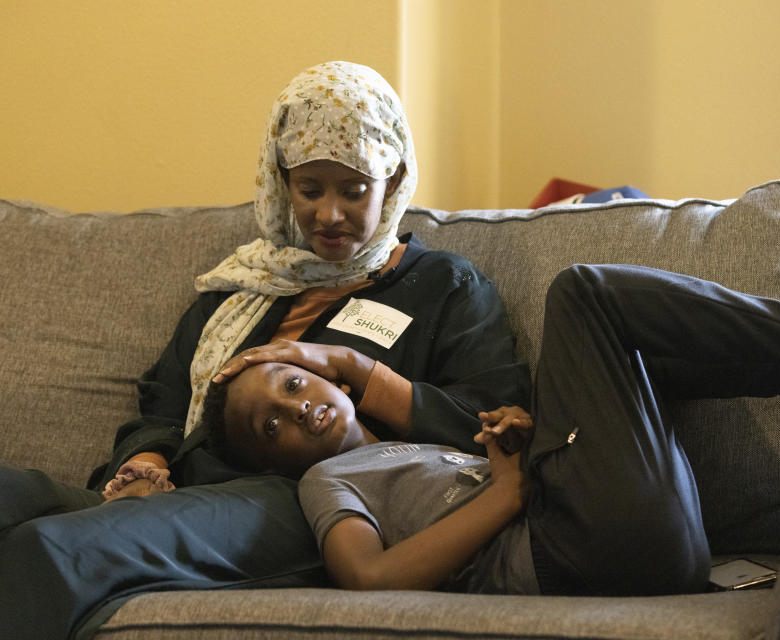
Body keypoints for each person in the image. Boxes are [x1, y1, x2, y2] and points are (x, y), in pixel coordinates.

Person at [0, 61, 529, 639]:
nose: (329, 215)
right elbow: (167, 398)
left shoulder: (445, 286)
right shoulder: (245, 285)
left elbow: (489, 423)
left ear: (394, 179)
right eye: (309, 189)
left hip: (306, 499)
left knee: (49, 549)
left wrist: (355, 368)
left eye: (354, 190)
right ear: (282, 183)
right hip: (187, 484)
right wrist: (148, 459)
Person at [201, 217, 780, 597]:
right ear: (272, 460)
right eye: (271, 426)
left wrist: (520, 445)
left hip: (617, 536)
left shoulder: (400, 446)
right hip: (580, 551)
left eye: (293, 384)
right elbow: (368, 579)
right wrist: (507, 492)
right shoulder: (326, 484)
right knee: (582, 294)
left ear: (325, 376)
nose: (296, 411)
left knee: (633, 358)